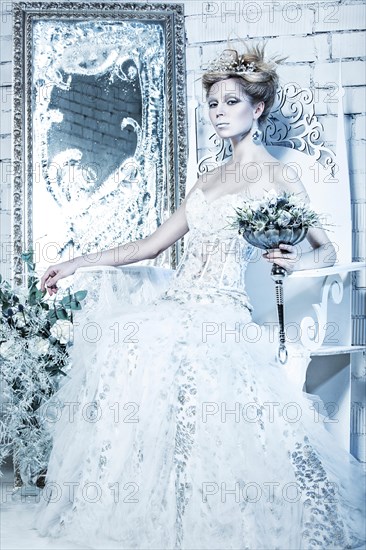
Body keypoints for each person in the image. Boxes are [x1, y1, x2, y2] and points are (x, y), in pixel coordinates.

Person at [36, 44, 365, 549]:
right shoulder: (206, 182)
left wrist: (295, 261)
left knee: (192, 360)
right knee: (134, 341)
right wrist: (75, 261)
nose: (219, 113)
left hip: (223, 312)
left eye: (230, 102)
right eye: (212, 104)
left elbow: (325, 250)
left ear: (257, 109)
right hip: (179, 304)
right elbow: (148, 246)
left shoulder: (280, 178)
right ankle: (163, 512)